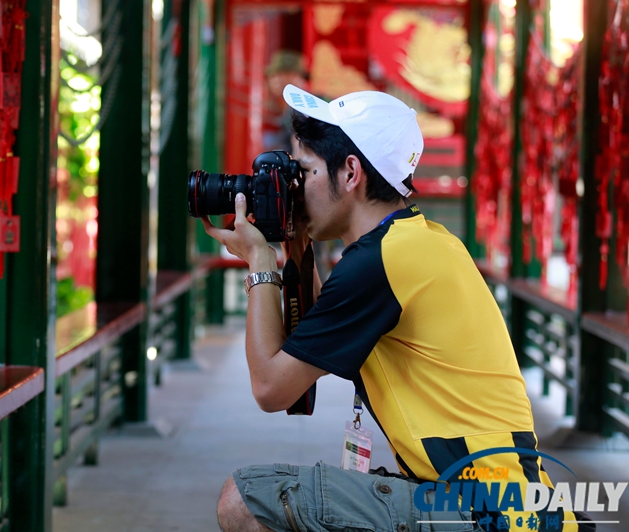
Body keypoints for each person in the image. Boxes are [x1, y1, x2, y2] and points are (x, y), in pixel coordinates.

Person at [203, 85, 594, 532]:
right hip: (505, 502)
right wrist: (296, 244)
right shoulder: (417, 242)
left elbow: (272, 388)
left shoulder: (380, 263)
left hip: (484, 512)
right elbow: (306, 346)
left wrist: (259, 262)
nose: (296, 186)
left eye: (305, 171)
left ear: (350, 173)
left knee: (247, 500)